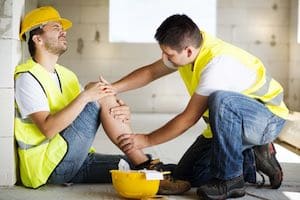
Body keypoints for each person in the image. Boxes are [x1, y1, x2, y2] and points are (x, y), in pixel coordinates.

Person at [15, 6, 190, 194]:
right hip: (48, 166)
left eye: (62, 28)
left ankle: (156, 172)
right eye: (56, 28)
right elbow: (48, 129)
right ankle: (148, 165)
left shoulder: (66, 75)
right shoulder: (28, 78)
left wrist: (118, 110)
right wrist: (91, 97)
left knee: (128, 164)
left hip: (75, 159)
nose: (64, 32)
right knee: (98, 90)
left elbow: (85, 110)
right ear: (37, 38)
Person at [114, 14, 289, 200]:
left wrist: (147, 139)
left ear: (188, 51)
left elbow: (188, 119)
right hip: (233, 124)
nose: (165, 59)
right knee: (188, 176)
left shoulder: (216, 65)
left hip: (267, 119)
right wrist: (113, 88)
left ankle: (231, 180)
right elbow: (150, 72)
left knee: (222, 100)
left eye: (169, 55)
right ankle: (251, 157)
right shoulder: (191, 47)